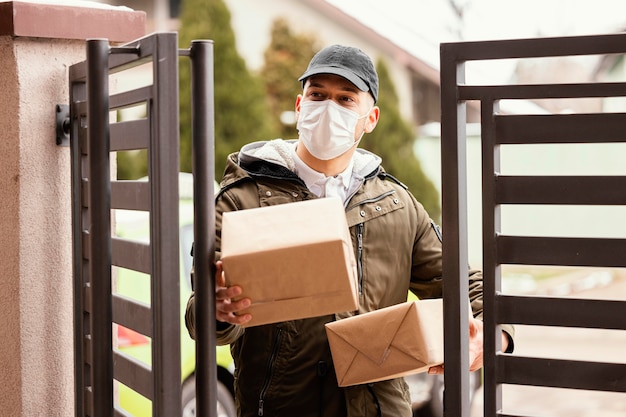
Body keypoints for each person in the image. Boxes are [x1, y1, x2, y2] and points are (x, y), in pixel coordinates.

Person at [185, 44, 514, 417]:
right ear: (299, 106)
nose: (328, 108)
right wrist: (219, 312)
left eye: (345, 99)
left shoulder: (396, 205)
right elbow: (200, 317)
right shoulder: (239, 200)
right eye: (318, 95)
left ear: (370, 118)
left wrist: (492, 334)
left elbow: (466, 283)